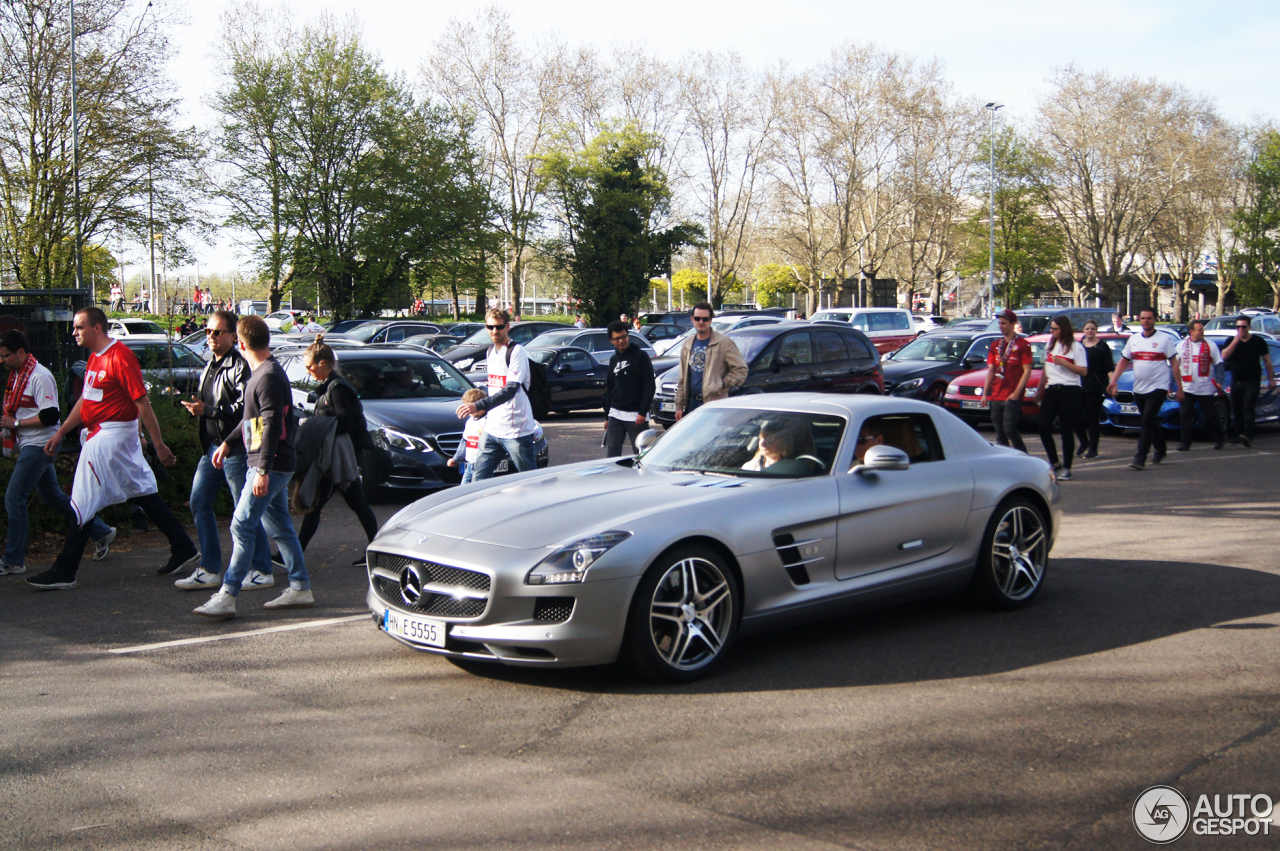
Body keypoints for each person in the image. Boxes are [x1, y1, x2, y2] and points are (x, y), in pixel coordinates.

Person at [27, 308, 198, 589]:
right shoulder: (94, 358)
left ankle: (65, 568)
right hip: (106, 435)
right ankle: (183, 547)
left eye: (79, 327)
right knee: (142, 490)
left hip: (110, 438)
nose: (74, 333)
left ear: (97, 328)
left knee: (83, 498)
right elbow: (86, 400)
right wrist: (60, 433)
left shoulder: (120, 357)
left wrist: (158, 445)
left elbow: (142, 403)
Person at [194, 315, 311, 618]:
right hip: (269, 462)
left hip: (269, 464)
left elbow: (271, 425)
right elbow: (252, 421)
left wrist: (262, 470)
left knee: (242, 524)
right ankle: (300, 587)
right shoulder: (262, 373)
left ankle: (228, 595)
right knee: (280, 527)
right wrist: (228, 443)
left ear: (241, 343)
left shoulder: (268, 376)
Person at [173, 310, 275, 591]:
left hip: (235, 449)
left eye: (217, 332)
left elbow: (247, 412)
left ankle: (261, 569)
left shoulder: (239, 366)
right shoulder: (211, 364)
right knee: (198, 501)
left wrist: (209, 411)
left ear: (233, 336)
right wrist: (200, 410)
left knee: (244, 511)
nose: (211, 337)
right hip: (212, 448)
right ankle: (209, 568)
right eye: (208, 332)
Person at [1, 331, 115, 576]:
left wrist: (16, 425)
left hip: (40, 444)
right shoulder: (17, 375)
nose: (3, 360)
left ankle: (14, 559)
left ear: (20, 352)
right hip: (31, 443)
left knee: (14, 498)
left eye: (5, 355)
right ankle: (100, 530)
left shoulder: (40, 376)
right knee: (53, 498)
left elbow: (51, 415)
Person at [288, 336, 379, 565]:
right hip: (333, 455)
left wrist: (313, 425)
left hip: (341, 455)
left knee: (354, 503)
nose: (308, 372)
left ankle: (378, 552)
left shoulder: (337, 387)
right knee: (319, 505)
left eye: (309, 367)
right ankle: (294, 553)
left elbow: (345, 423)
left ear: (323, 363)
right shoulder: (330, 385)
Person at [455, 308, 541, 480]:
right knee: (478, 480)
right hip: (492, 428)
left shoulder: (516, 351)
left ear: (507, 327)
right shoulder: (490, 352)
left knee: (530, 478)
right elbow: (494, 388)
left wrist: (478, 405)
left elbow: (510, 390)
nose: (495, 331)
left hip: (516, 430)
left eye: (499, 327)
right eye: (491, 327)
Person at [1108, 308, 1179, 470]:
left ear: (1155, 319)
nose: (1145, 321)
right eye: (1142, 318)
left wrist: (1178, 387)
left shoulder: (1164, 339)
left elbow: (1174, 363)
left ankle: (1140, 457)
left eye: (1149, 318)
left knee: (1146, 420)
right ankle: (1161, 448)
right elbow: (1123, 362)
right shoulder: (1133, 339)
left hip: (1158, 387)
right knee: (1150, 421)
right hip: (1139, 388)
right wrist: (1113, 381)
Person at [673, 303, 748, 421]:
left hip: (715, 404)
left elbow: (741, 370)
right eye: (697, 318)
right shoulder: (687, 343)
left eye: (705, 319)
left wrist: (721, 385)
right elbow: (682, 377)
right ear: (692, 319)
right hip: (691, 404)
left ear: (711, 320)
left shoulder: (723, 342)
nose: (701, 322)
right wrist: (679, 405)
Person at [1037, 316, 1089, 480]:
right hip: (1052, 389)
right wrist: (1039, 390)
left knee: (1066, 429)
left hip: (1070, 390)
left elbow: (1083, 371)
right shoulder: (1050, 344)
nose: (1052, 332)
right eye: (1051, 329)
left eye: (1055, 329)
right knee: (1043, 426)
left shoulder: (1076, 347)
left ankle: (1067, 466)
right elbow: (1046, 367)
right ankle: (1055, 462)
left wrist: (1064, 363)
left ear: (1064, 329)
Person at [1219, 315, 1276, 448]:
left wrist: (1270, 379)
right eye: (1238, 327)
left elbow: (1267, 360)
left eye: (1243, 327)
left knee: (1248, 407)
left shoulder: (1258, 341)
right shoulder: (1230, 341)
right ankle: (1239, 434)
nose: (1240, 329)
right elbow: (1224, 356)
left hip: (1252, 380)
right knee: (1237, 409)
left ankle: (1248, 434)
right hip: (1236, 381)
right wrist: (1235, 341)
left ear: (1249, 327)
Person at [980, 309, 1032, 453]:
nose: (1001, 326)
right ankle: (1005, 457)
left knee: (1009, 428)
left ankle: (1023, 456)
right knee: (999, 431)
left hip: (1012, 394)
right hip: (997, 394)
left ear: (1013, 324)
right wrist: (985, 393)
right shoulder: (995, 345)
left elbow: (1027, 371)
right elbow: (991, 370)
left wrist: (1016, 393)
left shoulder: (1023, 345)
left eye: (1004, 323)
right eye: (999, 323)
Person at [603, 320, 655, 457]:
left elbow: (649, 385)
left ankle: (642, 478)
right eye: (617, 338)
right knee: (612, 453)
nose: (621, 341)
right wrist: (607, 415)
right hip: (615, 413)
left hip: (636, 414)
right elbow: (610, 388)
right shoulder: (613, 360)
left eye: (624, 337)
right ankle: (615, 478)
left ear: (628, 336)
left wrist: (643, 411)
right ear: (611, 340)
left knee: (641, 453)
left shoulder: (641, 356)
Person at [1174, 319, 1225, 452]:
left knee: (1211, 415)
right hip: (1187, 387)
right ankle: (1185, 442)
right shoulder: (1181, 346)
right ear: (1191, 332)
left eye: (1202, 329)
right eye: (1199, 329)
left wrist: (1219, 381)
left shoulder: (1211, 345)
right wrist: (1171, 385)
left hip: (1205, 387)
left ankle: (1219, 437)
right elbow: (1174, 367)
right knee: (1185, 415)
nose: (1202, 331)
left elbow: (1219, 365)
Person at [1073, 320, 1115, 459]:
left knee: (1092, 418)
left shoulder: (1102, 346)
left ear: (1096, 330)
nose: (1090, 331)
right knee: (1075, 417)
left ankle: (1093, 449)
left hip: (1095, 386)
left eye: (1092, 328)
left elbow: (1109, 367)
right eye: (1087, 328)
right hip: (1079, 385)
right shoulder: (1078, 346)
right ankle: (1084, 442)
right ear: (1083, 330)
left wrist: (1112, 382)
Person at [448, 388, 487, 484]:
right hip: (469, 463)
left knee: (477, 488)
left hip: (482, 464)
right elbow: (464, 442)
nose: (469, 411)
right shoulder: (470, 421)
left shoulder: (487, 421)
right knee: (464, 487)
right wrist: (456, 458)